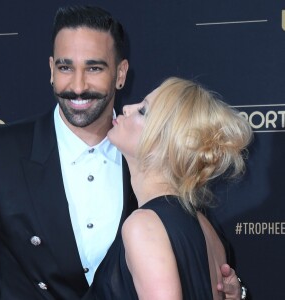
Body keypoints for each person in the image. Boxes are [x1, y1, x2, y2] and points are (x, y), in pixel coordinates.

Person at [0, 5, 244, 300]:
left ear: (121, 74)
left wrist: (237, 291)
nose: (78, 86)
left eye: (94, 68)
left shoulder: (152, 164)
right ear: (51, 70)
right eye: (65, 67)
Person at [85, 77, 252, 299]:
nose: (126, 108)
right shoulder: (206, 228)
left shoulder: (144, 225)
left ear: (165, 143)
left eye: (143, 111)